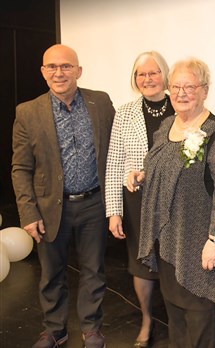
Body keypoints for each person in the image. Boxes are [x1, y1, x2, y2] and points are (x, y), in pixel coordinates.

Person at [11, 44, 114, 348]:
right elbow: (20, 168)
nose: (60, 73)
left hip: (94, 203)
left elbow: (115, 149)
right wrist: (28, 213)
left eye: (66, 66)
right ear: (43, 72)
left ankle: (92, 329)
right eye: (52, 67)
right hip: (49, 208)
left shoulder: (101, 102)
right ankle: (55, 329)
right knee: (51, 274)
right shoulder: (27, 112)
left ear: (78, 71)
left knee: (94, 271)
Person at [131, 58, 215, 348]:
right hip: (168, 242)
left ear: (205, 90)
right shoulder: (167, 125)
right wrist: (144, 175)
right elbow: (165, 167)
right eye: (176, 87)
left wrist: (214, 238)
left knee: (199, 318)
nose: (181, 93)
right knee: (175, 317)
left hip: (198, 245)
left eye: (190, 86)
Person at [104, 51, 174, 347]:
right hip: (137, 202)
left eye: (153, 72)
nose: (147, 79)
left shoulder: (181, 106)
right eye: (141, 74)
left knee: (173, 263)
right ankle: (146, 320)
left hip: (174, 202)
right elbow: (114, 163)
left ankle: (177, 319)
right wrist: (114, 211)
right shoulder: (125, 112)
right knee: (141, 265)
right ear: (135, 80)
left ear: (165, 75)